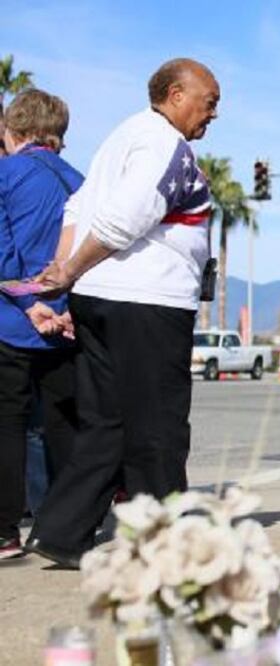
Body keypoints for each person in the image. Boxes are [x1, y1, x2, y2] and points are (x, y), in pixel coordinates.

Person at [24, 58, 220, 568]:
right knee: (159, 426)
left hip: (102, 297)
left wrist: (68, 273)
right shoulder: (165, 144)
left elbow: (77, 210)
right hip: (148, 302)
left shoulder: (122, 137)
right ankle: (164, 543)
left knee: (106, 422)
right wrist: (68, 272)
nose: (213, 114)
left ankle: (62, 532)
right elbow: (124, 219)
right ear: (176, 95)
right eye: (209, 101)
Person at [0, 89, 82, 560]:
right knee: (65, 422)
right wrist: (67, 306)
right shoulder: (79, 180)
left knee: (8, 422)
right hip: (70, 320)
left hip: (13, 319)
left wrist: (31, 304)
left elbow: (3, 249)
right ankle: (64, 528)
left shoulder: (7, 173)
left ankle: (5, 530)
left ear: (15, 130)